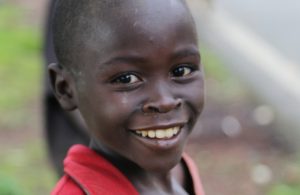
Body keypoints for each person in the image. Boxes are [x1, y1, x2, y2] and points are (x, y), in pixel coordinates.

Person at [49, 0, 205, 194]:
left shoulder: (182, 171)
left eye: (181, 70)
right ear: (65, 89)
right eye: (127, 78)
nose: (164, 101)